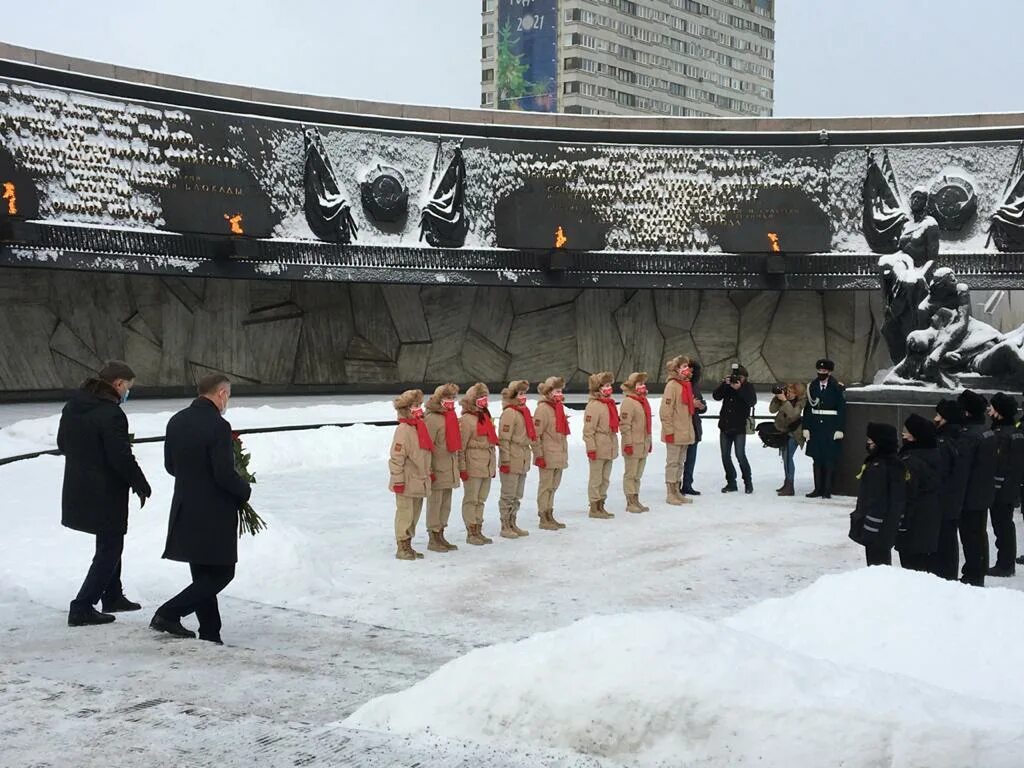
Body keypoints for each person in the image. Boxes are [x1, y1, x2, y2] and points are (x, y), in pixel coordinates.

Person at [151, 374, 251, 642]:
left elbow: (170, 465)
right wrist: (244, 490)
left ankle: (210, 631)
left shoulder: (177, 420)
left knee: (203, 574)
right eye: (227, 395)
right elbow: (223, 473)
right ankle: (169, 613)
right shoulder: (218, 425)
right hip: (213, 511)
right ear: (221, 394)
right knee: (222, 573)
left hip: (185, 505)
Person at [59, 360, 151, 627]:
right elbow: (120, 456)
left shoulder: (74, 405)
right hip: (106, 490)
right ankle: (82, 606)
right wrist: (140, 482)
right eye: (128, 388)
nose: (127, 393)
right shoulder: (111, 414)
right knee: (111, 546)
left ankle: (112, 595)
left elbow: (63, 443)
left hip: (79, 486)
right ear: (118, 384)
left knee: (108, 540)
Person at [848, 422, 906, 566]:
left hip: (877, 529)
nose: (868, 444)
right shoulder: (893, 463)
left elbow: (877, 501)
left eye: (870, 440)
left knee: (877, 563)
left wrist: (869, 529)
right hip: (886, 528)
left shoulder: (878, 467)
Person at [956, 389, 997, 587]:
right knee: (979, 534)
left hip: (971, 495)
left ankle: (973, 573)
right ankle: (978, 569)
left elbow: (963, 470)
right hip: (983, 492)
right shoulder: (986, 431)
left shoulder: (969, 436)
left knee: (971, 536)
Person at [388, 389, 433, 560]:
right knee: (405, 514)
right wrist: (398, 480)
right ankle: (402, 546)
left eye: (420, 405)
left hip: (419, 479)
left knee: (414, 514)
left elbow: (425, 453)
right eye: (415, 406)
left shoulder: (419, 426)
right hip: (406, 480)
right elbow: (396, 457)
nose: (419, 409)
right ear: (406, 408)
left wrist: (429, 473)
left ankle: (409, 544)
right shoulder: (404, 429)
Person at [894, 414, 942, 572]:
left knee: (912, 568)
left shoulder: (911, 462)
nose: (903, 434)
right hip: (927, 522)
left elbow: (908, 496)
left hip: (914, 525)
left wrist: (901, 522)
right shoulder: (932, 454)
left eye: (906, 432)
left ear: (915, 437)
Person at [930, 399, 969, 580]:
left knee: (944, 541)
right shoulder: (959, 437)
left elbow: (941, 473)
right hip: (954, 499)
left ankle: (945, 577)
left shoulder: (944, 442)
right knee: (949, 539)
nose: (935, 418)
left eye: (938, 415)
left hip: (944, 500)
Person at [986, 393, 1024, 577]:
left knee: (1002, 526)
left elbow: (1000, 465)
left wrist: (995, 487)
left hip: (1002, 490)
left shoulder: (1002, 435)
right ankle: (1006, 563)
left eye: (992, 407)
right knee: (1005, 525)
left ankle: (1005, 564)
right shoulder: (1014, 432)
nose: (989, 410)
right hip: (1011, 487)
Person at [423, 383, 461, 553]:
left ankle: (441, 533)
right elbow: (426, 446)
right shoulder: (432, 419)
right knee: (435, 504)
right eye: (448, 398)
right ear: (440, 399)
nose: (451, 401)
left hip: (449, 468)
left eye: (453, 398)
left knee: (445, 504)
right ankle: (433, 536)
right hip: (437, 468)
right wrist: (428, 470)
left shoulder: (451, 416)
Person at [459, 382, 498, 545]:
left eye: (485, 397)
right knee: (471, 499)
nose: (484, 400)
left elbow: (491, 442)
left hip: (486, 465)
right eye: (480, 397)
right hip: (473, 465)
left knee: (481, 500)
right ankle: (471, 531)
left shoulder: (486, 417)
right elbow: (461, 447)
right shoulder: (467, 420)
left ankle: (478, 528)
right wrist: (462, 468)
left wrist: (492, 465)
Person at [802, 358, 846, 499]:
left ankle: (827, 489)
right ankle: (817, 488)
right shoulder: (812, 386)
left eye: (824, 371)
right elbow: (808, 408)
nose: (821, 373)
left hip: (830, 427)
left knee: (829, 460)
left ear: (829, 372)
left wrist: (839, 428)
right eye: (819, 370)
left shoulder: (836, 387)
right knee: (817, 459)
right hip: (816, 427)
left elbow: (841, 409)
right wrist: (806, 427)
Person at [497, 379, 535, 539]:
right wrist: (505, 460)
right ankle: (505, 524)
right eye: (520, 394)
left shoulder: (523, 412)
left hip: (522, 457)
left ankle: (513, 522)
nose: (523, 397)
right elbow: (504, 439)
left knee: (517, 494)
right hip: (512, 457)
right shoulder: (510, 413)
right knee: (508, 494)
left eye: (524, 394)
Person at [713, 362, 757, 494]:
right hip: (725, 425)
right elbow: (716, 396)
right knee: (725, 456)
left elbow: (752, 401)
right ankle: (731, 482)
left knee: (740, 455)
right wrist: (724, 384)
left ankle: (748, 482)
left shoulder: (748, 387)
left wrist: (740, 389)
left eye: (740, 378)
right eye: (735, 377)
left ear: (745, 378)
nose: (737, 380)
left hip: (739, 427)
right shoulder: (727, 386)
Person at [533, 376, 569, 531]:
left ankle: (550, 513)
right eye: (556, 391)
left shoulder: (558, 407)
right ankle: (543, 516)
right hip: (548, 454)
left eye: (560, 391)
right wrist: (539, 455)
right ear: (548, 392)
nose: (559, 394)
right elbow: (536, 434)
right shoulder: (543, 409)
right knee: (545, 486)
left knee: (553, 487)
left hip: (558, 454)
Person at [583, 371, 620, 518]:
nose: (608, 388)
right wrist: (591, 448)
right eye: (605, 385)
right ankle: (594, 506)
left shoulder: (609, 404)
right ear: (598, 388)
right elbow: (588, 431)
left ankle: (601, 505)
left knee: (605, 479)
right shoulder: (594, 405)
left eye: (610, 385)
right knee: (596, 479)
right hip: (599, 446)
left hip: (609, 445)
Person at [661, 355, 696, 505]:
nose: (686, 369)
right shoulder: (672, 385)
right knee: (673, 463)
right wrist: (669, 431)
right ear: (676, 369)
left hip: (685, 431)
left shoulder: (686, 385)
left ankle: (677, 490)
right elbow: (665, 411)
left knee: (681, 462)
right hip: (675, 432)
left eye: (687, 366)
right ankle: (670, 492)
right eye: (683, 367)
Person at [620, 371, 653, 513]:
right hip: (633, 444)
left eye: (643, 384)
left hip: (643, 443)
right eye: (639, 384)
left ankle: (636, 498)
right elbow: (625, 425)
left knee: (638, 475)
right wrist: (628, 443)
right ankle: (630, 501)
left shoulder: (643, 401)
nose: (642, 386)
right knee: (631, 474)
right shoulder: (629, 402)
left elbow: (647, 424)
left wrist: (649, 441)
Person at [768, 382, 806, 497]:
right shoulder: (785, 399)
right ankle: (787, 483)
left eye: (791, 392)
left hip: (795, 433)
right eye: (787, 391)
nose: (788, 394)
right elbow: (772, 410)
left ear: (798, 393)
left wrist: (785, 401)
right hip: (785, 432)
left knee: (788, 457)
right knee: (785, 457)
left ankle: (790, 486)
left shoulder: (801, 402)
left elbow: (793, 415)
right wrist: (777, 397)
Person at [681, 360, 707, 497]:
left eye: (691, 370)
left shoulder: (694, 386)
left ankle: (687, 484)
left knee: (691, 458)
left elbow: (703, 405)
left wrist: (701, 406)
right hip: (682, 427)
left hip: (694, 426)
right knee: (679, 459)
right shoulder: (678, 386)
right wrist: (692, 403)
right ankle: (676, 485)